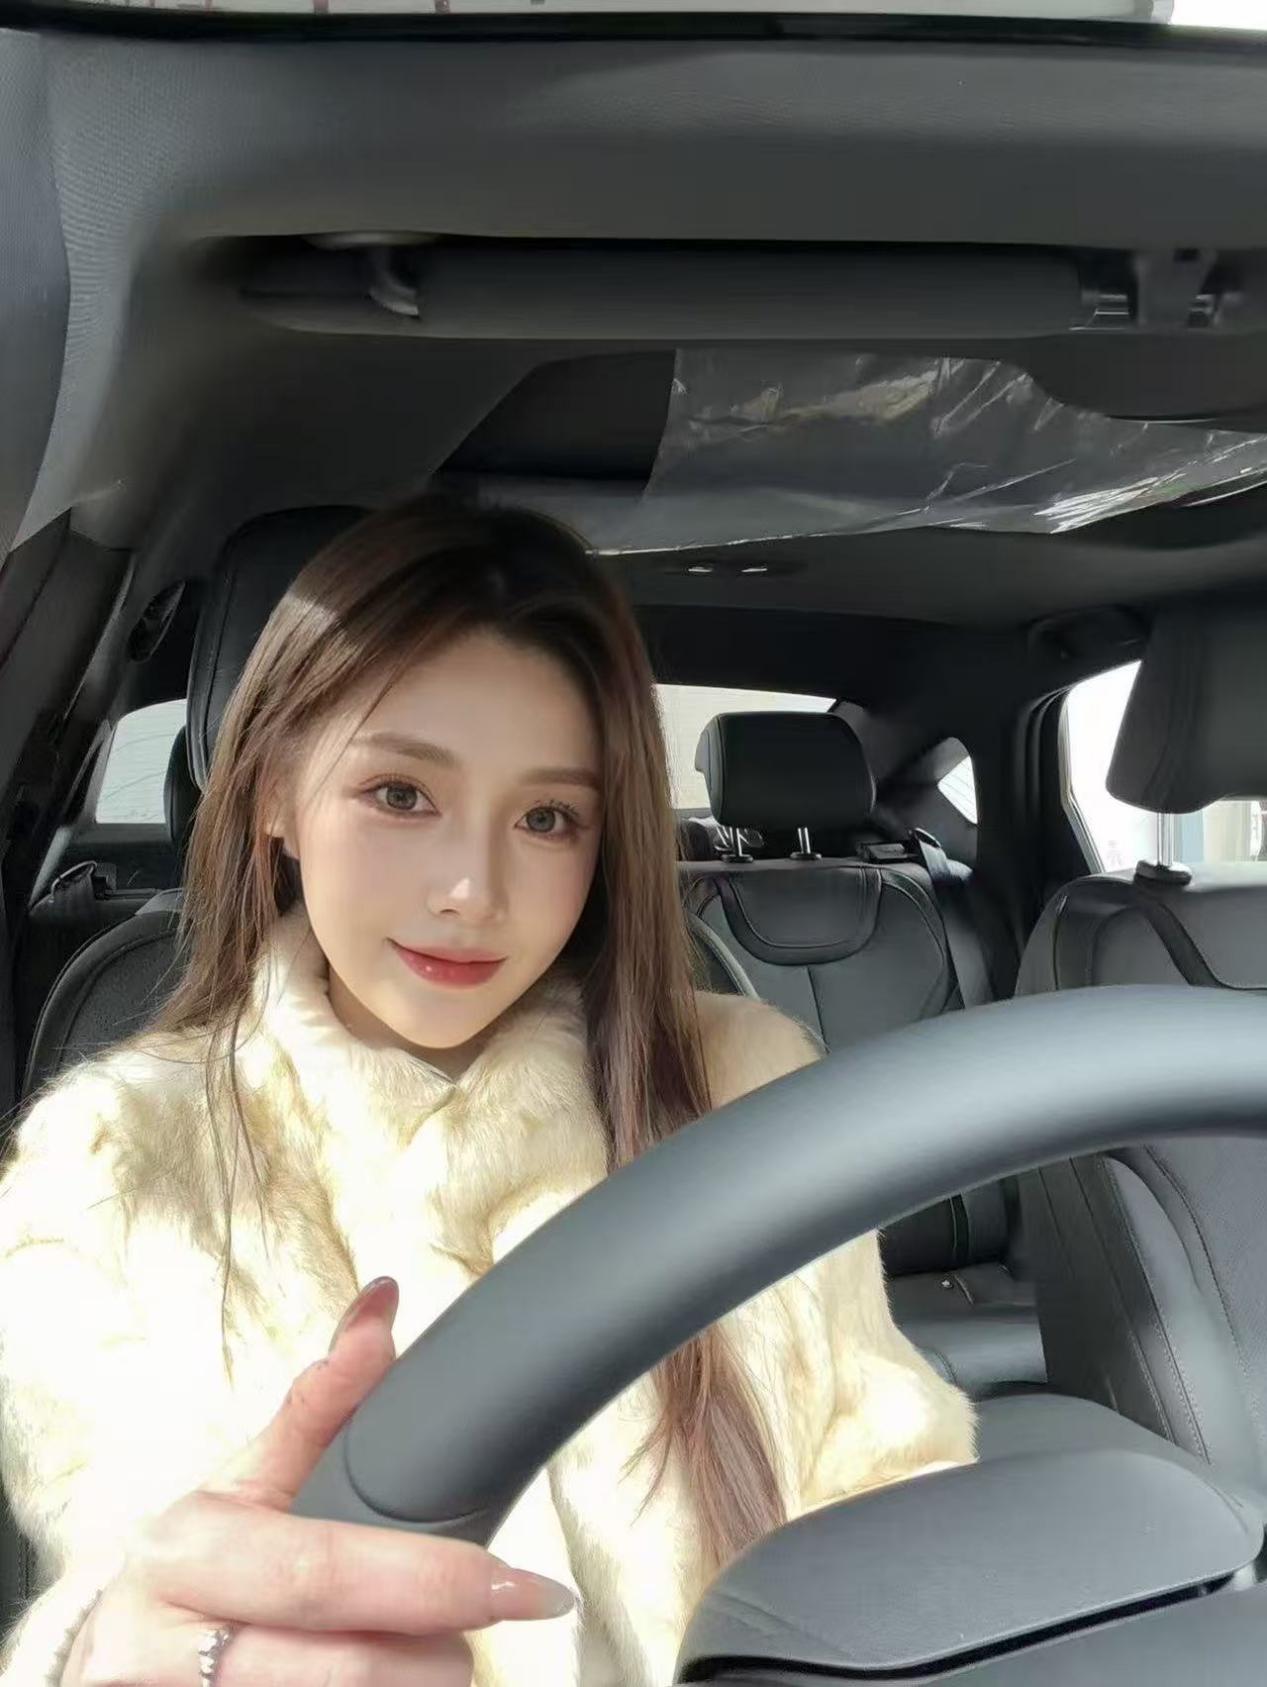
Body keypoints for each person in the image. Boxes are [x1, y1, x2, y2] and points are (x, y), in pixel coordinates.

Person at [0, 496, 975, 1687]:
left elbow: (882, 1478)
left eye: (547, 817)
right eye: (400, 794)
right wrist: (126, 1651)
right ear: (274, 795)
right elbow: (121, 1568)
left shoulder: (745, 1089)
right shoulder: (105, 1167)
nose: (473, 889)